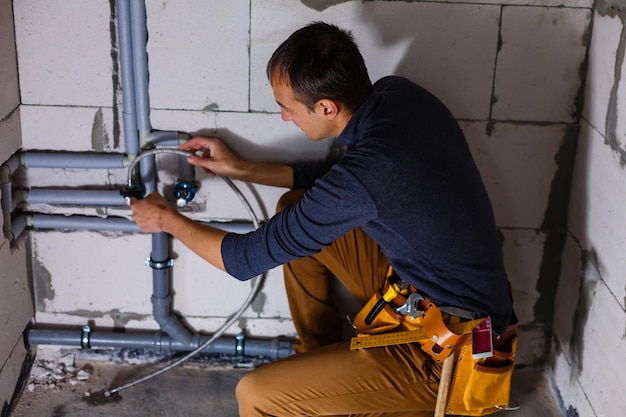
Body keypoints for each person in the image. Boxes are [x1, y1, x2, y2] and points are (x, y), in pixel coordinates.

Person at [130, 22, 514, 417]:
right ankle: (316, 368)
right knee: (292, 207)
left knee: (256, 395)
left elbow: (241, 259)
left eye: (287, 107)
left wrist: (166, 218)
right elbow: (331, 178)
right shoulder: (398, 95)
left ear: (327, 107)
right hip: (422, 293)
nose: (283, 116)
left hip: (454, 353)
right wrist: (239, 167)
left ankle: (319, 395)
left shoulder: (370, 173)